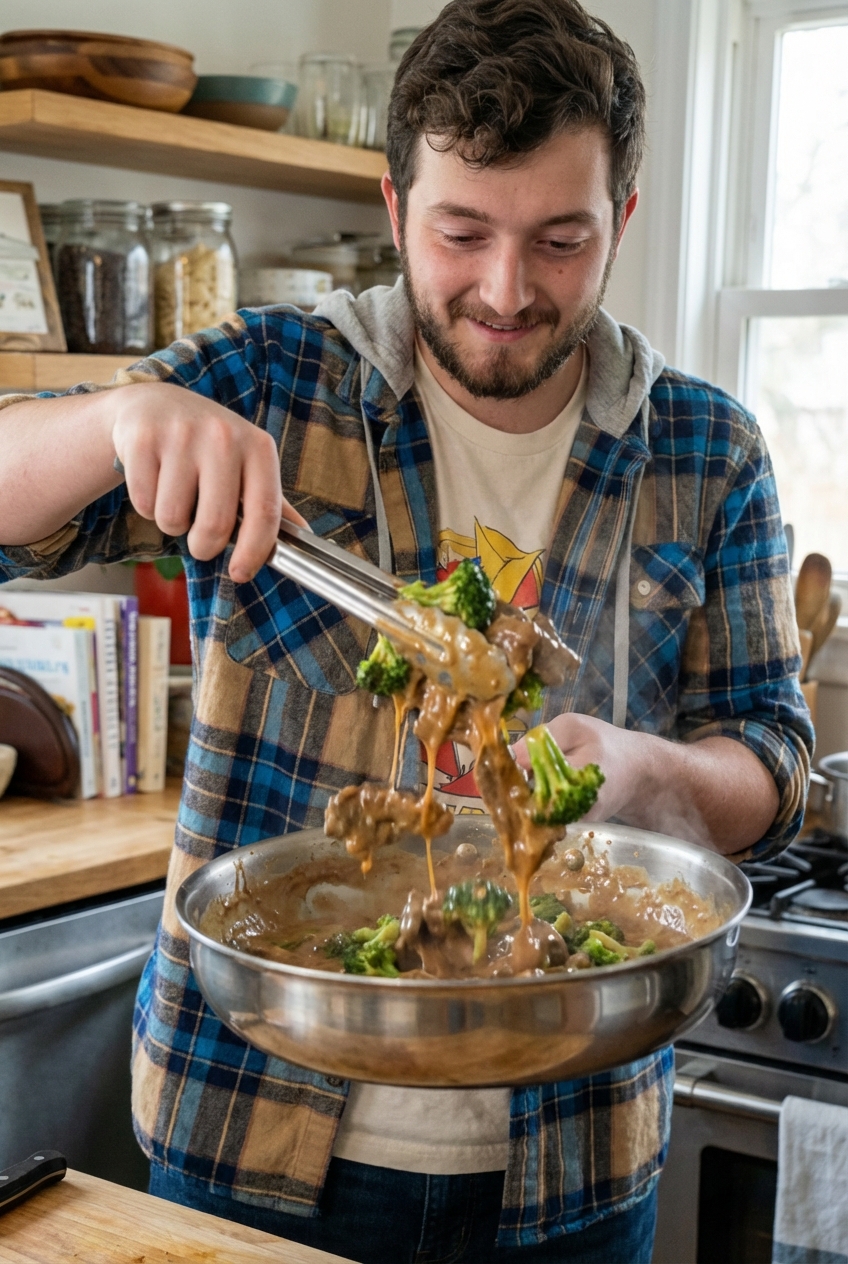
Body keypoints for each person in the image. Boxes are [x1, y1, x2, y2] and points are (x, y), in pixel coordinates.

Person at [0, 1, 811, 1260]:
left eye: (558, 239)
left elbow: (773, 758)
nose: (505, 289)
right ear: (394, 210)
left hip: (576, 1161)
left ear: (621, 222)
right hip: (251, 1134)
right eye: (461, 232)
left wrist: (651, 776)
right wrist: (119, 421)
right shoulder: (273, 378)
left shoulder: (708, 452)